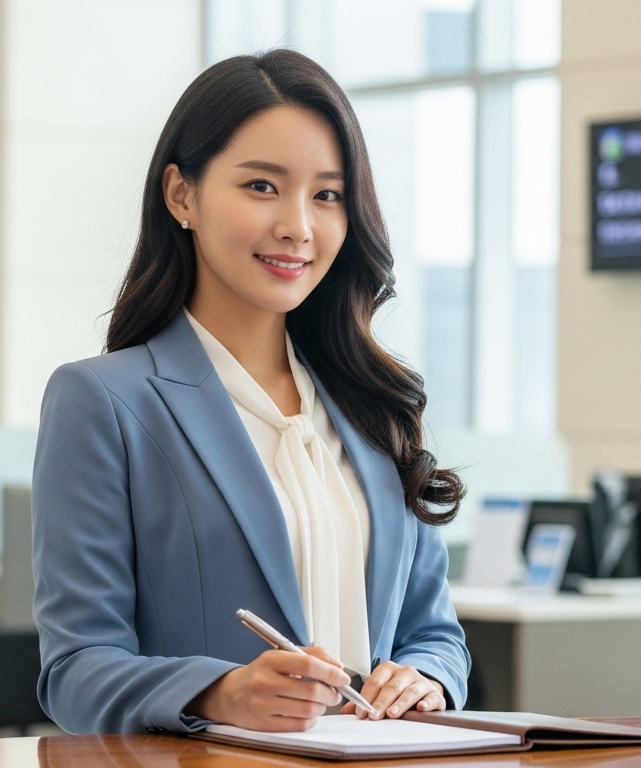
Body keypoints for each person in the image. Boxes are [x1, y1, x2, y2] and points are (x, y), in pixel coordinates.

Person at [32, 50, 470, 736]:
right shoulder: (104, 403)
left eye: (326, 194)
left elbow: (435, 636)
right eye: (263, 186)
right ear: (182, 194)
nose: (298, 225)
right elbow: (74, 670)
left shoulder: (376, 406)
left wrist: (428, 678)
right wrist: (218, 694)